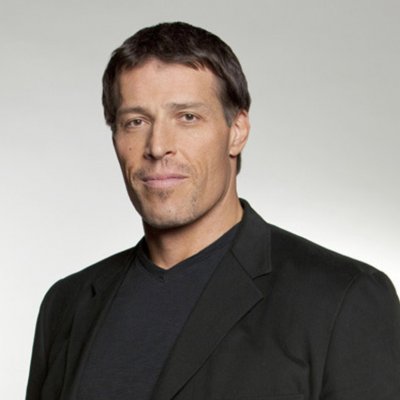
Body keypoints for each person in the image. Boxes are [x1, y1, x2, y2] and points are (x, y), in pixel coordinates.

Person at [26, 22, 400, 400]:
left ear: (237, 131)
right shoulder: (66, 304)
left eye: (187, 117)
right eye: (136, 122)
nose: (157, 146)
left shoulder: (343, 299)